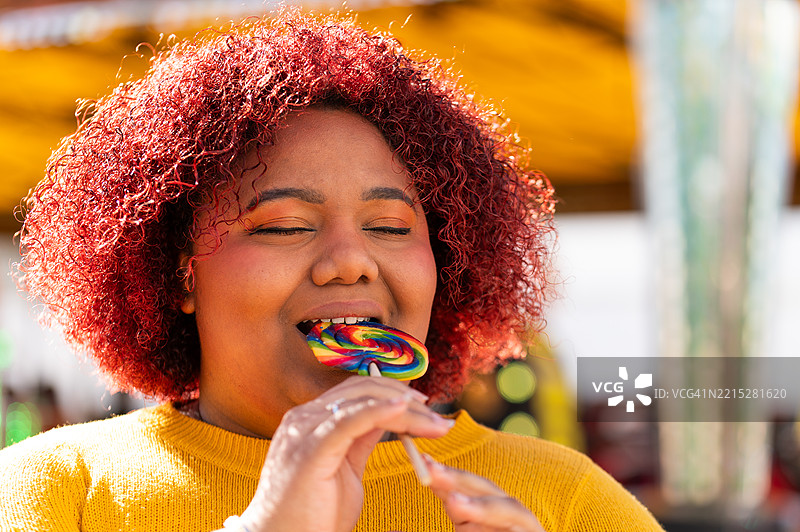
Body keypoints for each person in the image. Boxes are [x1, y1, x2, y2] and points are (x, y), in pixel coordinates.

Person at [0, 8, 665, 531]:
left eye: (390, 227)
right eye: (286, 226)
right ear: (178, 276)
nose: (350, 260)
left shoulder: (567, 499)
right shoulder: (55, 491)